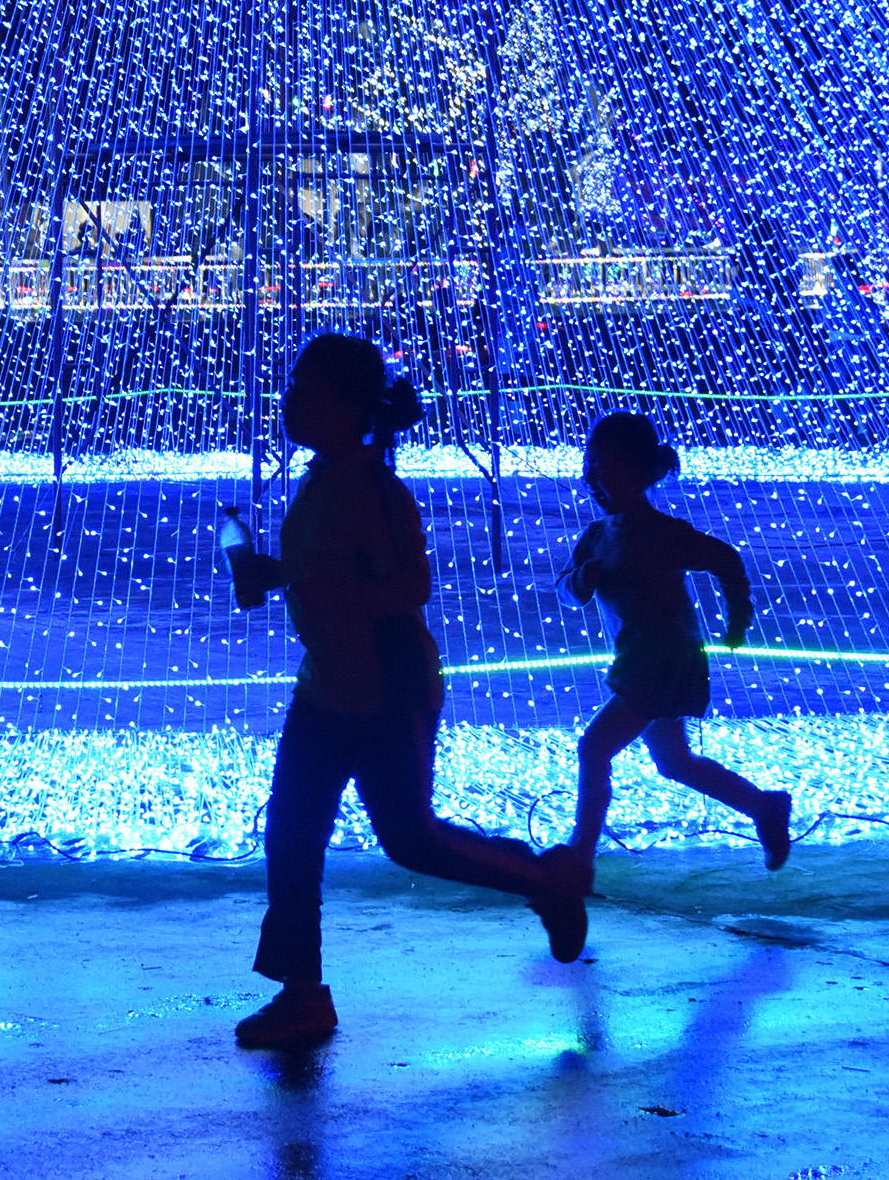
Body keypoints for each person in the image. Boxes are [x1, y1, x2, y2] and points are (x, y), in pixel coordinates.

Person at [226, 334, 586, 1050]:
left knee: (410, 839)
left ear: (348, 405)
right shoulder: (324, 476)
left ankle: (544, 878)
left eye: (306, 384)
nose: (289, 395)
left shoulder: (374, 490)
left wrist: (313, 586)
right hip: (327, 684)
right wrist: (271, 573)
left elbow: (411, 586)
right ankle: (302, 993)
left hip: (387, 688)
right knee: (292, 834)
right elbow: (321, 572)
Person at [546, 412, 795, 890]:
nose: (591, 477)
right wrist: (582, 579)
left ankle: (580, 857)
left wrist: (737, 617)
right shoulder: (599, 535)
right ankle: (764, 806)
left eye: (604, 468)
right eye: (588, 465)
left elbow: (727, 560)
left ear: (638, 473)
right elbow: (565, 589)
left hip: (664, 661)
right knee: (673, 762)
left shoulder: (663, 533)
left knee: (594, 747)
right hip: (640, 660)